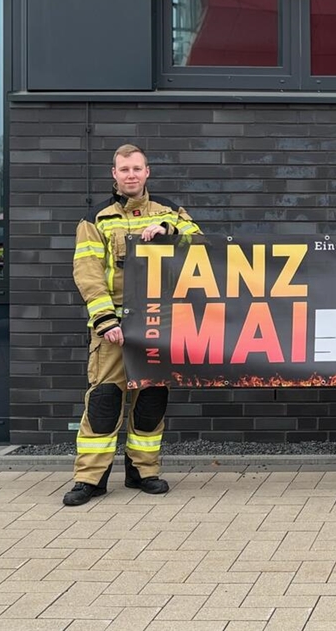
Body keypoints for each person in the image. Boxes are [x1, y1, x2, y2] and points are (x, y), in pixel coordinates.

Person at [63, 144, 201, 506]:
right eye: (124, 169)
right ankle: (90, 479)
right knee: (104, 401)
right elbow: (88, 274)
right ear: (114, 174)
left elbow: (201, 242)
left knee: (151, 400)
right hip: (115, 326)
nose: (131, 175)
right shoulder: (96, 220)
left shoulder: (170, 212)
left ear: (147, 172)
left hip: (157, 323)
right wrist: (105, 319)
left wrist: (169, 229)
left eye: (137, 168)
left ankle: (143, 472)